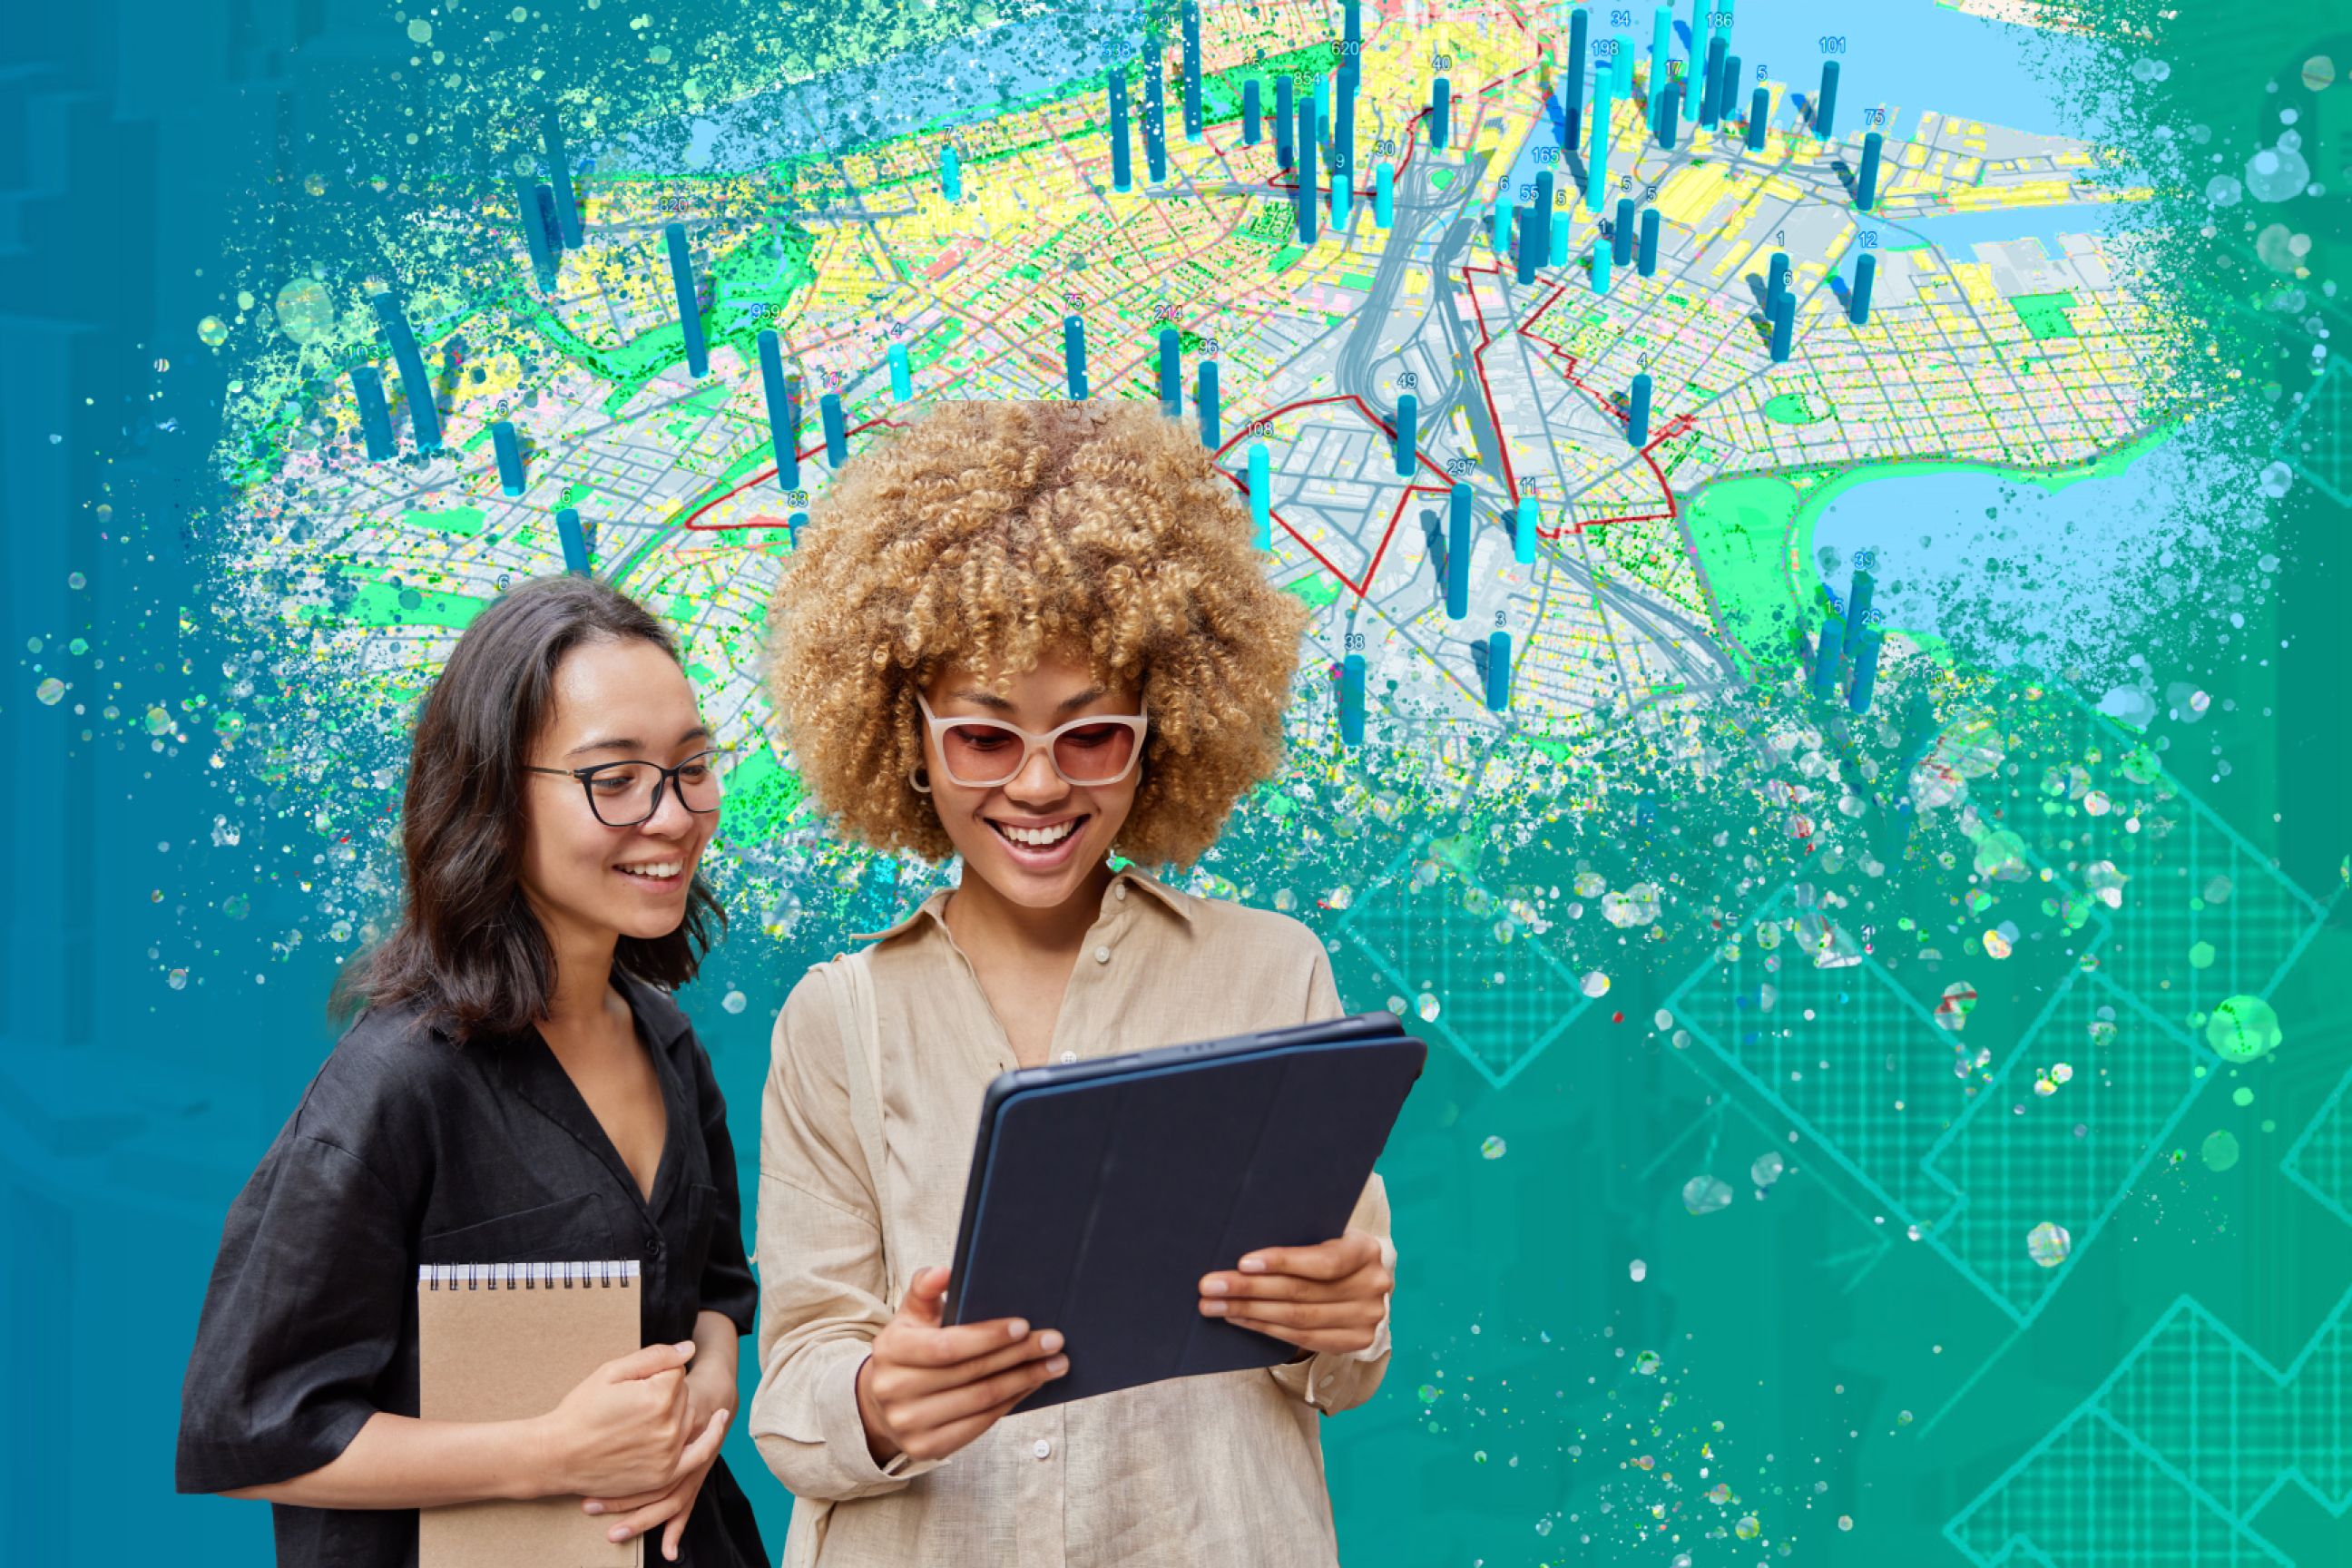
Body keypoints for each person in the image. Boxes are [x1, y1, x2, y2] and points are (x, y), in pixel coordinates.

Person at [750, 401, 1396, 1567]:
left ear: (1164, 731)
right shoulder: (838, 1019)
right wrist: (877, 1401)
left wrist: (1343, 1321)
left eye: (1091, 736)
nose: (1041, 787)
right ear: (909, 737)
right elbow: (796, 1386)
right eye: (985, 738)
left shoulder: (1274, 972)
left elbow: (1345, 1362)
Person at [176, 575, 769, 1568]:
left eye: (692, 767)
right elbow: (247, 1428)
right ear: (493, 794)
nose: (672, 816)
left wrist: (705, 1399)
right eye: (614, 778)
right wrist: (549, 1455)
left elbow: (713, 1288)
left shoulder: (668, 1042)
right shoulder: (394, 1086)